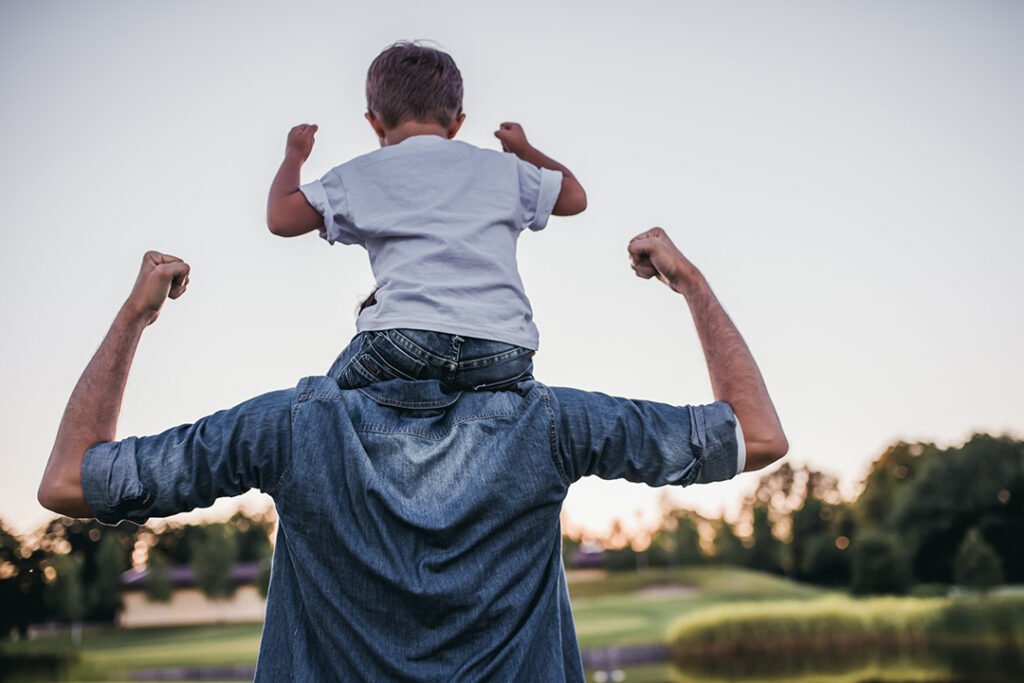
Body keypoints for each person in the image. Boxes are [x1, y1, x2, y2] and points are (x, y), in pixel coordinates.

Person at [38, 228, 787, 681]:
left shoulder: (290, 428)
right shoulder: (550, 424)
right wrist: (689, 281)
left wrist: (137, 314)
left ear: (366, 328)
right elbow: (757, 435)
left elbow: (70, 479)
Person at [265, 41, 587, 392]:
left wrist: (294, 156)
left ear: (374, 123)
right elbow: (575, 197)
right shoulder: (502, 169)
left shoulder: (363, 173)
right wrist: (524, 150)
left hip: (405, 341)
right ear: (457, 123)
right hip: (504, 349)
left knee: (322, 405)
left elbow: (281, 218)